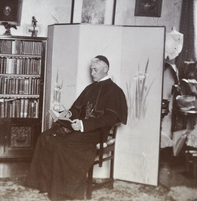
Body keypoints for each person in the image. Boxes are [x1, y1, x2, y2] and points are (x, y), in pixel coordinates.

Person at [25, 55, 128, 200]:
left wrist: (84, 125)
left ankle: (63, 192)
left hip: (96, 133)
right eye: (91, 69)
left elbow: (111, 118)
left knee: (63, 145)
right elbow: (76, 109)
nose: (92, 73)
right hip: (78, 128)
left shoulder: (115, 91)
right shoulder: (89, 88)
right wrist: (66, 112)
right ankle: (45, 184)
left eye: (95, 69)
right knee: (45, 137)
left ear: (105, 69)